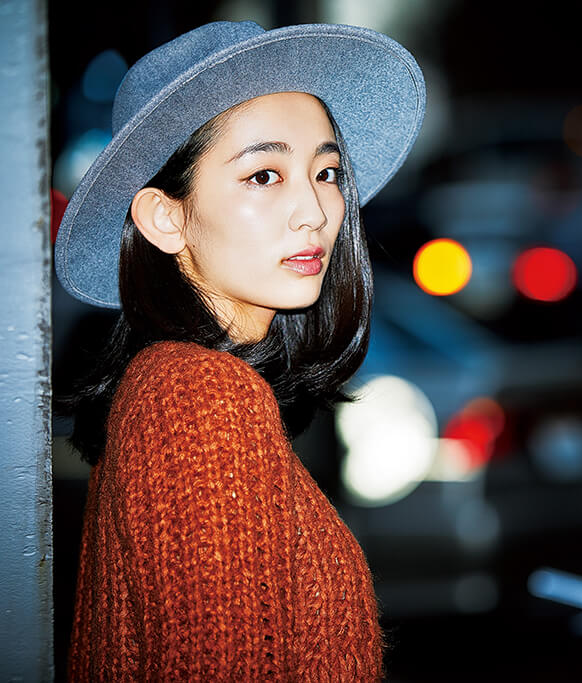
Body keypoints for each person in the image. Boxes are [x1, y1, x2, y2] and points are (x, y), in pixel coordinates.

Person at [54, 20, 425, 681]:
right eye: (264, 175)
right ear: (166, 217)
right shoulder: (198, 398)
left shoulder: (179, 386)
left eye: (327, 172)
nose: (315, 211)